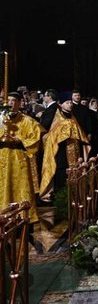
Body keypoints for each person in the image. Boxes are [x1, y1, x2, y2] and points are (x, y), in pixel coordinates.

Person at [0, 92, 44, 223]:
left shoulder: (27, 121)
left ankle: (23, 217)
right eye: (9, 101)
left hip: (18, 159)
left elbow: (35, 138)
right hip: (2, 157)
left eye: (14, 101)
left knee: (21, 187)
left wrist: (20, 140)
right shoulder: (2, 120)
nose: (11, 103)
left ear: (19, 103)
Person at [40, 98, 90, 199]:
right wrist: (64, 134)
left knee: (74, 174)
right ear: (60, 104)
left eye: (71, 103)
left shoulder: (73, 118)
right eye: (67, 102)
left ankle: (73, 198)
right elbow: (48, 134)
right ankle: (60, 199)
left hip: (74, 152)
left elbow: (80, 135)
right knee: (61, 175)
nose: (70, 104)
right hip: (60, 152)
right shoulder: (55, 118)